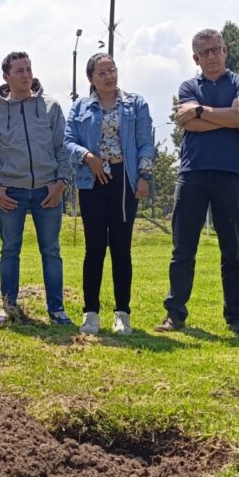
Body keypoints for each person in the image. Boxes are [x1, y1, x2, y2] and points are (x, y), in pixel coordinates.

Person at [161, 29, 239, 335]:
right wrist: (230, 118)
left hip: (230, 174)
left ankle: (236, 318)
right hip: (192, 174)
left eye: (216, 50)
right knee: (183, 249)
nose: (212, 56)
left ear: (225, 50)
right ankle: (175, 314)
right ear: (195, 58)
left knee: (233, 251)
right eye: (205, 53)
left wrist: (201, 112)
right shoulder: (189, 85)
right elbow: (192, 126)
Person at [0, 50, 74, 325]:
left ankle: (56, 309)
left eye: (29, 69)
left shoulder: (51, 106)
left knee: (51, 251)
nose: (26, 75)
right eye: (19, 70)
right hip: (10, 193)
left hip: (48, 191)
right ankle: (9, 307)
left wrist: (61, 184)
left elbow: (63, 149)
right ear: (6, 77)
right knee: (10, 250)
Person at [66, 52, 154, 336]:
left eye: (112, 70)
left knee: (121, 248)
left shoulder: (135, 104)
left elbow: (145, 142)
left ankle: (122, 313)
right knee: (94, 249)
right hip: (92, 181)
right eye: (102, 72)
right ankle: (90, 313)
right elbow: (67, 142)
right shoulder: (79, 107)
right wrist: (87, 156)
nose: (109, 76)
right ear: (91, 78)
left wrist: (144, 176)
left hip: (124, 181)